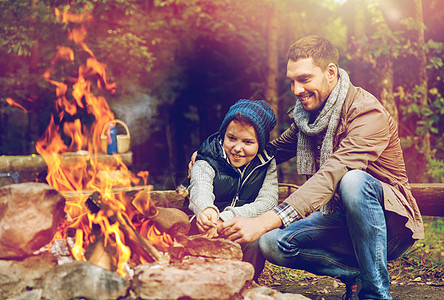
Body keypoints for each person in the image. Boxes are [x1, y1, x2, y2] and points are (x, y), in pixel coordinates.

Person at [193, 36, 424, 299]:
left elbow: (333, 173)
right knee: (271, 242)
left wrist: (265, 220)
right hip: (340, 221)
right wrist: (210, 155)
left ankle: (375, 293)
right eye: (291, 81)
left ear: (331, 72)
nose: (296, 89)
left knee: (353, 181)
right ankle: (357, 275)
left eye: (304, 79)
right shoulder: (309, 119)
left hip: (390, 227)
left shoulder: (368, 115)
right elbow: (271, 151)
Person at [188, 98, 279, 280]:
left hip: (240, 225)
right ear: (223, 135)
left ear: (260, 143)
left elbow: (268, 201)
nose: (238, 148)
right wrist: (206, 210)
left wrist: (227, 217)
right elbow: (200, 185)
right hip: (206, 224)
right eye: (231, 138)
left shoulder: (266, 162)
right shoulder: (208, 157)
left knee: (255, 241)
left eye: (247, 142)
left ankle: (246, 282)